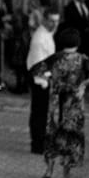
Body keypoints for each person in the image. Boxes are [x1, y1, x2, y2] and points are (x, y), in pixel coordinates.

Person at [33, 28, 89, 178]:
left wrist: (49, 79)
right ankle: (66, 171)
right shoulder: (82, 58)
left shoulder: (55, 57)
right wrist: (83, 84)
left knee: (52, 134)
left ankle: (49, 170)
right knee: (72, 135)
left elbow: (36, 70)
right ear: (77, 43)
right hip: (74, 102)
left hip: (56, 100)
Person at [26, 10, 60, 154]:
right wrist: (46, 82)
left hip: (45, 77)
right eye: (52, 20)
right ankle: (37, 144)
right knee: (39, 112)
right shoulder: (39, 38)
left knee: (42, 112)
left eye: (57, 21)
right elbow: (38, 65)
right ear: (44, 20)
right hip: (40, 80)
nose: (54, 24)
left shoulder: (46, 33)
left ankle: (41, 141)